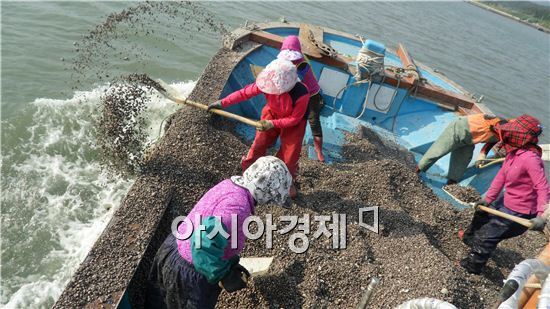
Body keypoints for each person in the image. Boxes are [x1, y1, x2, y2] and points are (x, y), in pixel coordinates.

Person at [145, 156, 292, 309]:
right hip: (189, 271)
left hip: (172, 248)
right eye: (271, 198)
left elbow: (212, 231)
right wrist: (223, 274)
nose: (269, 203)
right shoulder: (238, 209)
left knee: (158, 302)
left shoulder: (229, 186)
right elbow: (202, 244)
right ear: (266, 192)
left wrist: (229, 263)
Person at [460, 114, 550, 275]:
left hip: (519, 210)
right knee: (480, 212)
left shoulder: (531, 159)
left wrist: (541, 217)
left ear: (520, 136)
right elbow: (501, 177)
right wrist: (487, 199)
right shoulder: (514, 153)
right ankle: (469, 239)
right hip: (505, 199)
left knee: (486, 237)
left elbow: (543, 188)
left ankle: (473, 266)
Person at [208, 58, 310, 197]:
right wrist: (222, 103)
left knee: (289, 156)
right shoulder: (267, 82)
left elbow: (295, 119)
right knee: (259, 143)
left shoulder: (301, 93)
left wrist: (273, 124)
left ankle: (286, 182)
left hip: (294, 124)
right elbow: (244, 93)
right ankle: (248, 170)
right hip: (272, 113)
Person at [416, 113, 506, 184]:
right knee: (437, 152)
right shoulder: (499, 123)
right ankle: (416, 172)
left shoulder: (506, 135)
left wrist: (482, 155)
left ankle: (451, 184)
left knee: (462, 162)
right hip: (460, 128)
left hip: (470, 140)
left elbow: (490, 143)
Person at [277, 35, 326, 162]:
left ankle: (318, 150)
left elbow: (294, 81)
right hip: (299, 93)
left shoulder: (303, 64)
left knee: (314, 121)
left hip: (312, 95)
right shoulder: (285, 62)